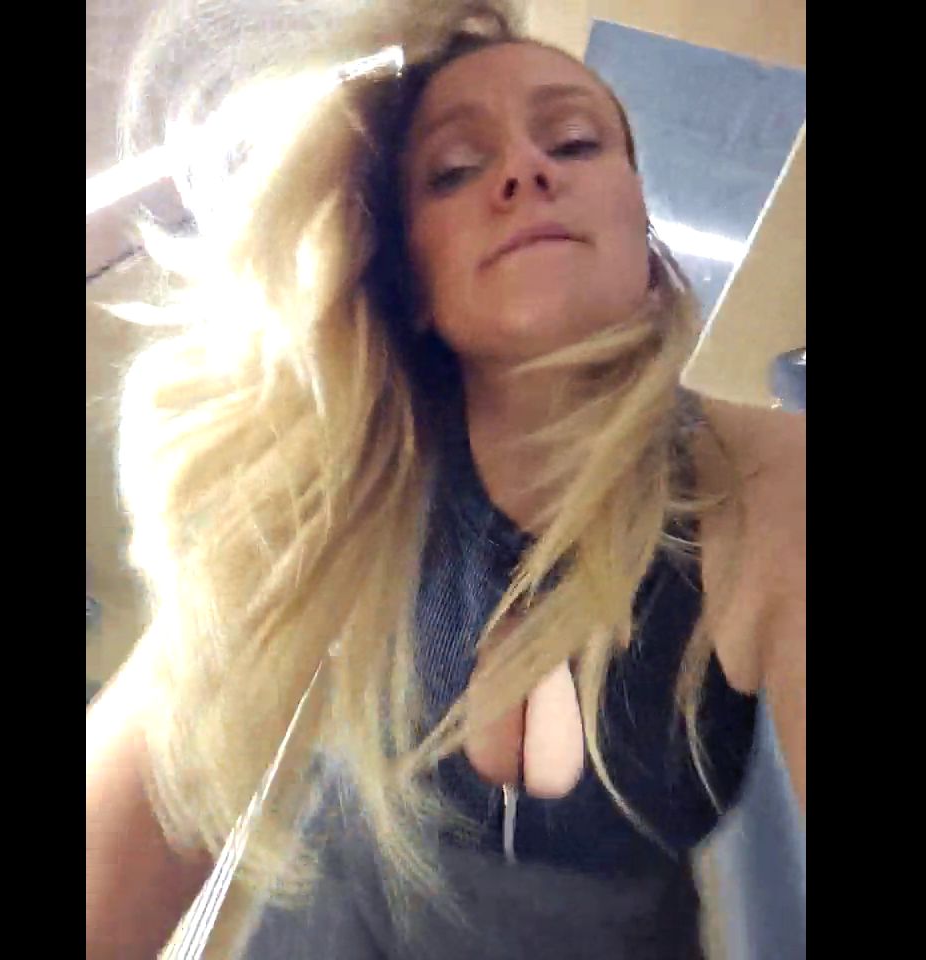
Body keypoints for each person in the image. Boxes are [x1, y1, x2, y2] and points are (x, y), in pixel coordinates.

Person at [85, 2, 805, 957]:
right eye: (455, 169)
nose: (526, 171)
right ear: (413, 283)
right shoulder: (337, 490)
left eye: (576, 142)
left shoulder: (768, 481)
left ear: (643, 221)